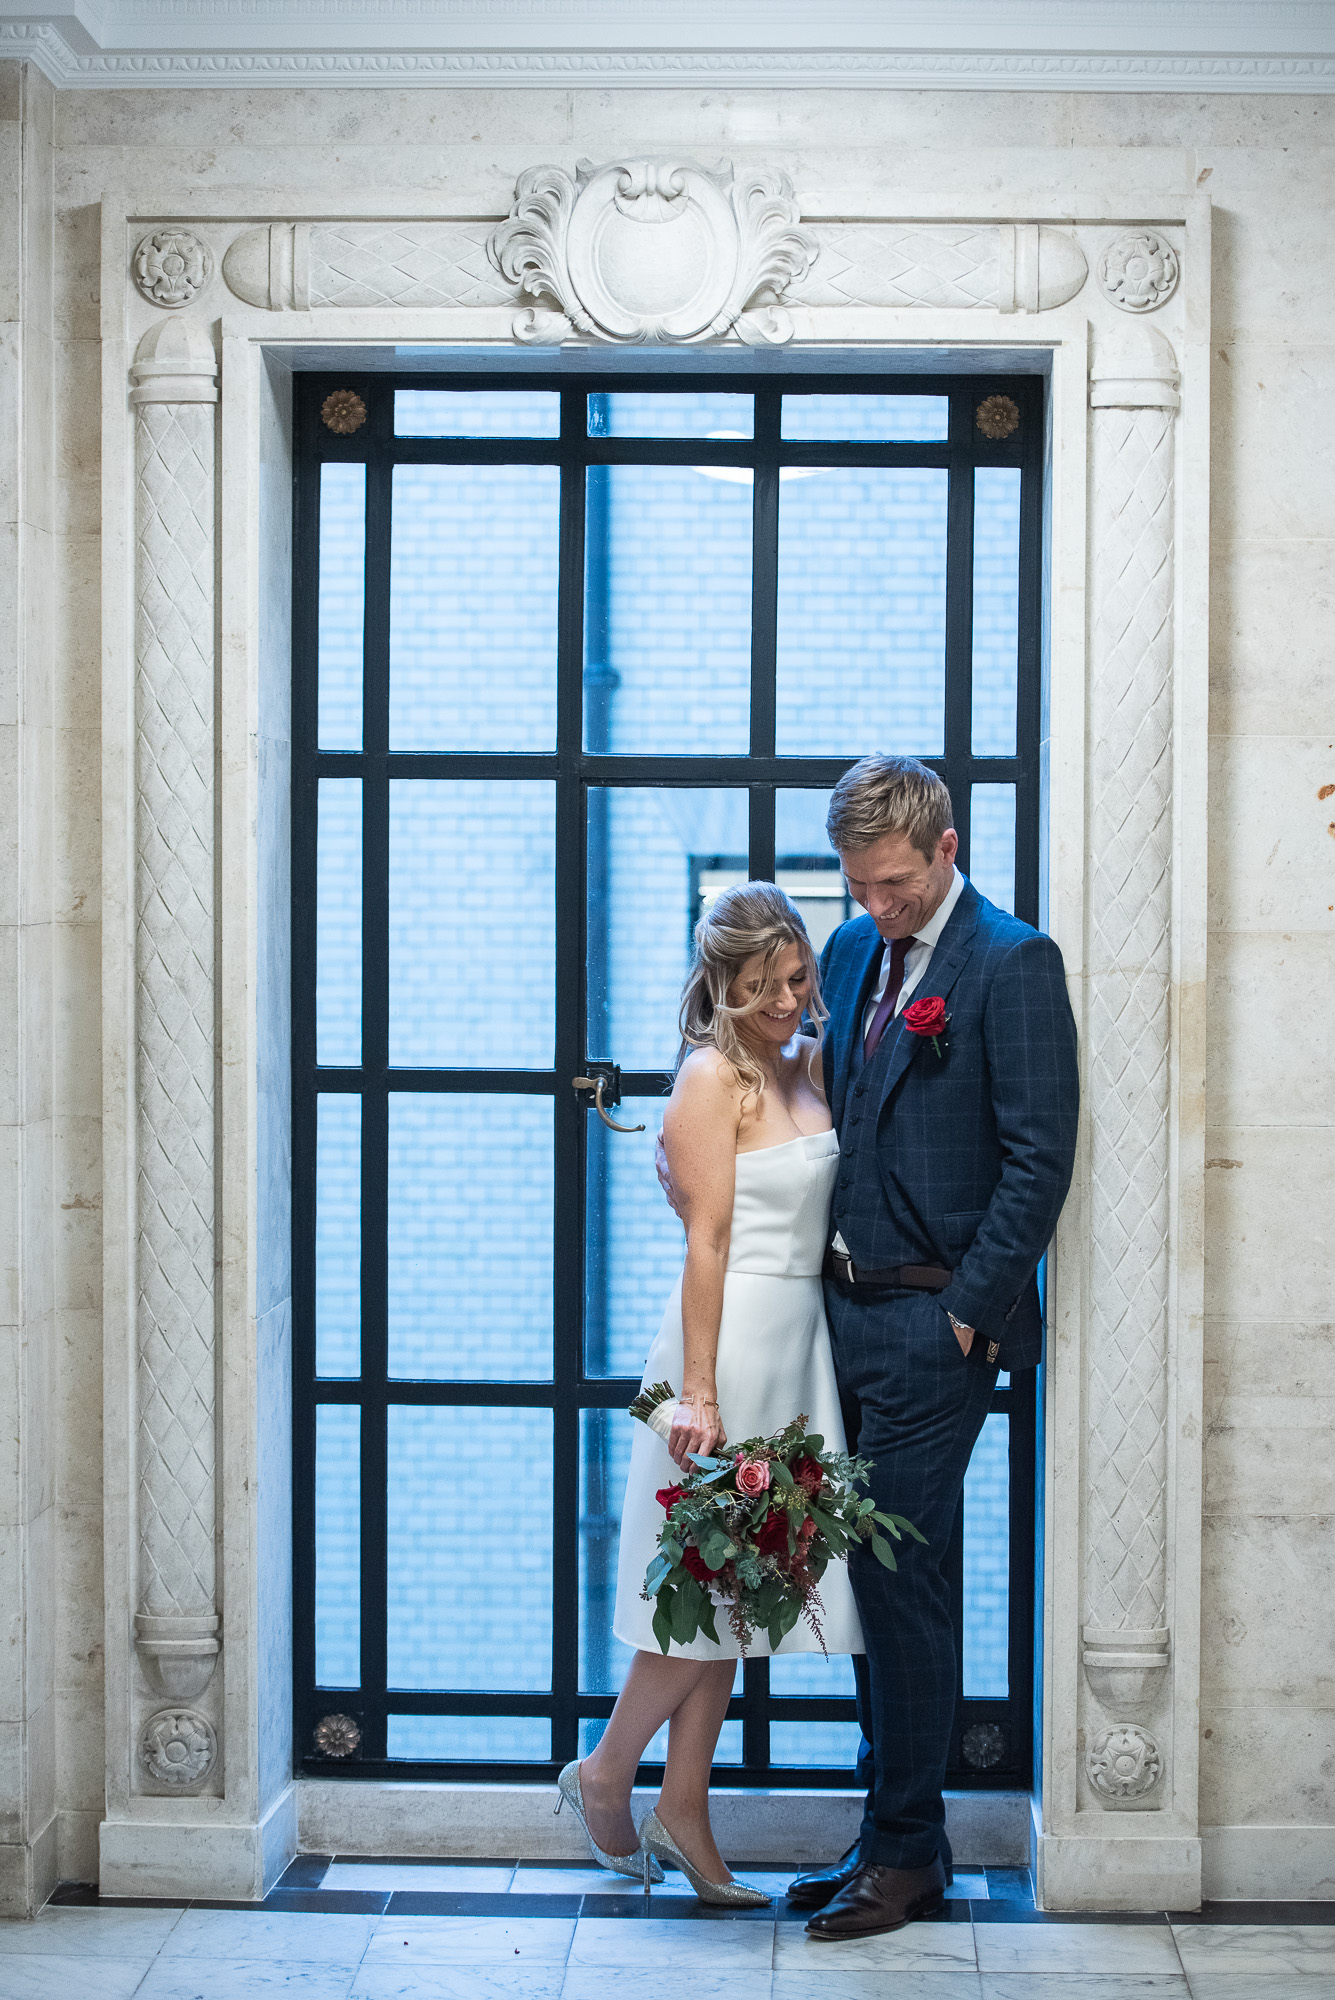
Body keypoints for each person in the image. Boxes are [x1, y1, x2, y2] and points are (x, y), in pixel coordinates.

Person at [778, 754, 1079, 1940]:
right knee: (861, 1581)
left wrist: (968, 1310)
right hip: (837, 1317)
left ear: (947, 848)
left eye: (895, 884)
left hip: (933, 1323)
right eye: (859, 885)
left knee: (903, 1583)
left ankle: (907, 1853)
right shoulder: (852, 952)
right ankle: (892, 1836)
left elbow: (1039, 1156)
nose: (874, 908)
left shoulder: (1014, 962)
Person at [556, 882, 863, 1906]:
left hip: (798, 1348)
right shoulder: (710, 1077)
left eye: (796, 977)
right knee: (697, 1584)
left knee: (742, 1590)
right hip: (722, 1352)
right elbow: (708, 1240)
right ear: (720, 984)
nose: (785, 999)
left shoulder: (812, 1061)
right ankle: (606, 1770)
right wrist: (698, 1392)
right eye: (761, 984)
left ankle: (683, 1807)